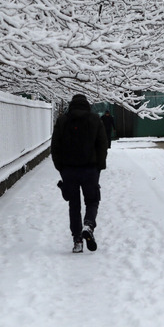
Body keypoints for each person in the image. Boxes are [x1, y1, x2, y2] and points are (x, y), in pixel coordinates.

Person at [51, 94, 108, 253]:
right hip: (90, 169)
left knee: (73, 205)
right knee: (92, 200)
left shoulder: (63, 120)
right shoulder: (95, 119)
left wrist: (60, 168)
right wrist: (99, 166)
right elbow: (103, 144)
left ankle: (77, 240)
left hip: (69, 170)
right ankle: (89, 225)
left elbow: (55, 146)